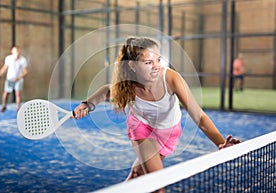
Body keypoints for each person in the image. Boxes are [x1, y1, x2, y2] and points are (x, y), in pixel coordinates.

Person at [73, 37, 240, 192]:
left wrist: (221, 144)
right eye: (148, 62)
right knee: (157, 184)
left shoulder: (171, 79)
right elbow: (108, 91)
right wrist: (88, 104)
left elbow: (199, 117)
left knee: (139, 173)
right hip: (141, 129)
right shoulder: (127, 84)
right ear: (132, 65)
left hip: (169, 132)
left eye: (158, 60)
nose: (156, 66)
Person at [0, 46, 28, 112]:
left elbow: (25, 72)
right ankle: (4, 106)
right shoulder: (8, 58)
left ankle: (18, 108)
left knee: (17, 94)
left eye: (17, 51)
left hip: (18, 80)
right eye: (15, 51)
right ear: (12, 52)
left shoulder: (23, 60)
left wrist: (18, 78)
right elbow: (4, 68)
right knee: (6, 93)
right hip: (9, 79)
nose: (17, 52)